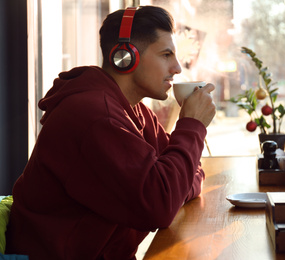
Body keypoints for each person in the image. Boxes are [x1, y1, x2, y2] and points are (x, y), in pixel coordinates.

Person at [6, 5, 216, 260]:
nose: (177, 68)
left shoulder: (135, 111)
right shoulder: (94, 117)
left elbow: (185, 174)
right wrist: (192, 125)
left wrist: (175, 187)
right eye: (166, 54)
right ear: (126, 56)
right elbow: (162, 204)